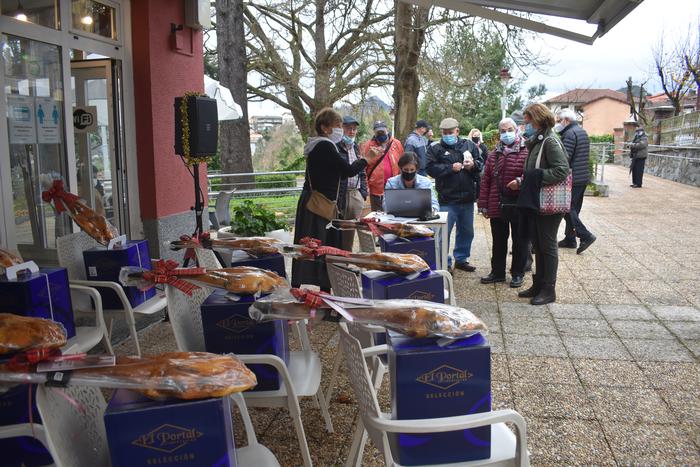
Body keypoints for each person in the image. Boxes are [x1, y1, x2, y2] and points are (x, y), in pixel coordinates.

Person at [292, 108, 375, 291]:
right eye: (337, 126)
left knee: (312, 247)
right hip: (319, 206)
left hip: (315, 203)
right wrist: (366, 160)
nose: (340, 129)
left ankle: (306, 287)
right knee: (320, 247)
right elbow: (346, 170)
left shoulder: (319, 145)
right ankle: (319, 289)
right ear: (325, 127)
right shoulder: (324, 146)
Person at [513, 103, 570, 305]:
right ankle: (538, 284)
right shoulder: (538, 141)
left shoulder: (550, 141)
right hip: (537, 201)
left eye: (528, 119)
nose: (525, 123)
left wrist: (537, 177)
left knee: (547, 245)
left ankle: (549, 289)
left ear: (538, 119)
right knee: (537, 244)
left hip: (549, 203)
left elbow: (562, 170)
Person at [426, 117, 483, 273]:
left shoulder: (469, 144)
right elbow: (430, 168)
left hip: (467, 198)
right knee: (443, 233)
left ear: (457, 131)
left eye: (450, 132)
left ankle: (461, 259)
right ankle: (444, 261)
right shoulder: (435, 148)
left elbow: (481, 163)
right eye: (444, 133)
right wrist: (450, 168)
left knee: (466, 231)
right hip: (447, 199)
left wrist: (473, 165)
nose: (447, 135)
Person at [478, 118, 528, 288]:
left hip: (519, 204)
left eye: (509, 129)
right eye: (503, 131)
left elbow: (532, 174)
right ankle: (497, 272)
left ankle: (517, 274)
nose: (506, 133)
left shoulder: (526, 150)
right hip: (497, 203)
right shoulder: (494, 154)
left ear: (516, 130)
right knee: (498, 241)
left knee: (519, 241)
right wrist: (483, 204)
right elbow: (486, 181)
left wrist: (520, 181)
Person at [555, 109, 596, 254]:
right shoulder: (581, 131)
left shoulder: (569, 134)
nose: (557, 123)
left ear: (566, 120)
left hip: (573, 178)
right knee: (574, 209)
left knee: (567, 209)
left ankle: (585, 235)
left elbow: (564, 158)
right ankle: (570, 239)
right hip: (582, 177)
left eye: (559, 120)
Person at [337, 115, 369, 251]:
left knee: (351, 233)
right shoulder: (335, 147)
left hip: (356, 195)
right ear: (341, 129)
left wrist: (363, 193)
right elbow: (345, 171)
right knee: (338, 232)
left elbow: (361, 171)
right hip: (341, 195)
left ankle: (347, 263)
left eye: (354, 129)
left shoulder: (355, 146)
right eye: (348, 128)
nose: (352, 131)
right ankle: (337, 264)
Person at [361, 121, 403, 212]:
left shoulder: (396, 144)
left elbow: (402, 164)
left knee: (394, 213)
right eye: (378, 133)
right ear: (374, 133)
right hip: (376, 189)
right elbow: (363, 168)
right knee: (377, 216)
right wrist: (366, 186)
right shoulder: (368, 146)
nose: (380, 135)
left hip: (394, 187)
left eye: (382, 132)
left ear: (387, 131)